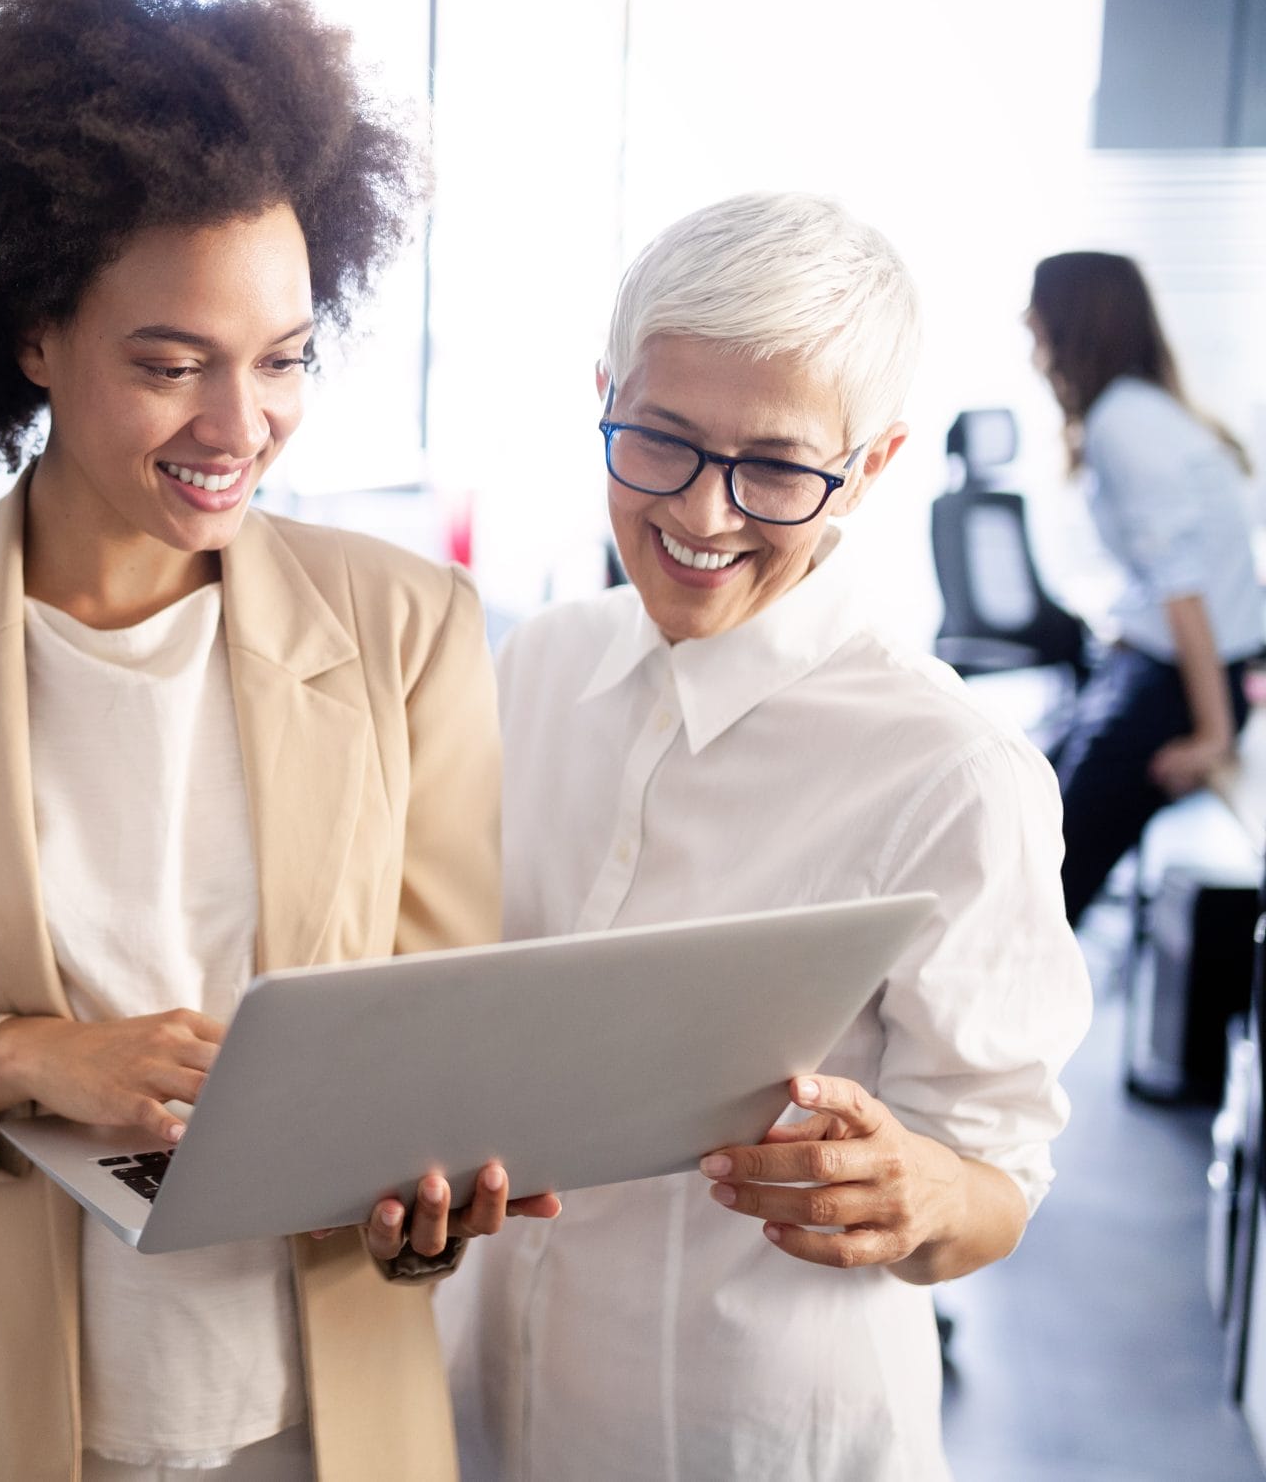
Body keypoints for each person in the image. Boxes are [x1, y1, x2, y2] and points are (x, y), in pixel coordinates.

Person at [0, 0, 548, 1482]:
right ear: (35, 333)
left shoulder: (406, 628)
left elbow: (437, 1048)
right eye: (171, 363)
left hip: (323, 1404)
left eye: (283, 360)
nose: (241, 428)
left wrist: (427, 1201)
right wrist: (28, 1054)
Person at [439, 193, 1094, 1480]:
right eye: (661, 442)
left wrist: (921, 1192)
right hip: (484, 1402)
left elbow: (999, 1175)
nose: (706, 513)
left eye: (779, 468)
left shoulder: (951, 773)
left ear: (874, 462)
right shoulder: (541, 667)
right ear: (604, 397)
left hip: (738, 1430)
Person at [1027, 250, 1262, 925]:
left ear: (1074, 319)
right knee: (1021, 810)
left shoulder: (1124, 421)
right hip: (1150, 673)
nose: (1026, 325)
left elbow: (1183, 588)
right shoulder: (1146, 408)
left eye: (1037, 312)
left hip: (1171, 687)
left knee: (1046, 889)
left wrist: (1214, 733)